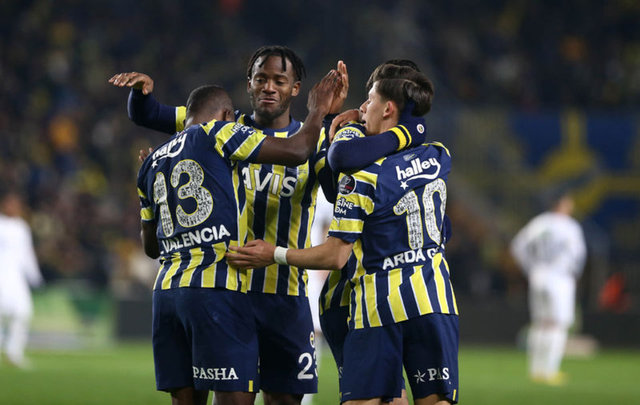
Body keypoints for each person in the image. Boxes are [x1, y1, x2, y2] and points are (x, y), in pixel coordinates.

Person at [110, 45, 425, 405]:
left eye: (279, 80)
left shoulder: (312, 138)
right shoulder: (225, 126)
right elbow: (151, 114)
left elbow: (335, 190)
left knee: (285, 400)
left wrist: (334, 125)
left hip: (284, 295)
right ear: (249, 83)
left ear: (295, 88)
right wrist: (142, 95)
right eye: (261, 79)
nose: (269, 87)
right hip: (231, 289)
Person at [227, 65, 459, 405]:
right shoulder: (438, 156)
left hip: (378, 304)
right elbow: (444, 229)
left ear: (388, 109)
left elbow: (336, 247)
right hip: (434, 297)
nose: (363, 107)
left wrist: (273, 253)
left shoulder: (363, 176)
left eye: (369, 100)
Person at [135, 72, 341, 405]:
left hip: (167, 291)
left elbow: (150, 247)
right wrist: (319, 111)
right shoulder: (220, 132)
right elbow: (300, 149)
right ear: (228, 116)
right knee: (234, 396)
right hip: (214, 287)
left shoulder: (152, 162)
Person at [510, 191, 587, 385]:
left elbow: (517, 245)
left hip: (538, 276)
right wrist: (573, 273)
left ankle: (535, 371)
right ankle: (550, 371)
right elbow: (578, 255)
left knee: (540, 324)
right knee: (558, 325)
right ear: (563, 204)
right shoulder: (570, 226)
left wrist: (530, 268)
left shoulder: (540, 223)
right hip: (560, 278)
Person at [0, 187, 44, 369]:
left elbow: (27, 255)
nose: (13, 207)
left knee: (23, 312)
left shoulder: (22, 227)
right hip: (1, 275)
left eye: (16, 204)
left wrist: (35, 277)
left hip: (16, 278)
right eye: (10, 203)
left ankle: (14, 352)